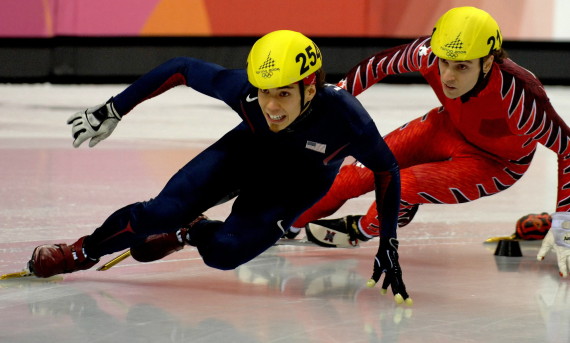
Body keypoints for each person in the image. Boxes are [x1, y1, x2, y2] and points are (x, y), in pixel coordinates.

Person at [26, 30, 412, 303]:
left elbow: (386, 170)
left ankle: (191, 233)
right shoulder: (245, 93)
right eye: (264, 92)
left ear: (309, 89)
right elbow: (181, 67)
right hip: (247, 154)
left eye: (283, 94)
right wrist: (114, 109)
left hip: (293, 187)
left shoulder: (346, 119)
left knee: (224, 254)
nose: (271, 106)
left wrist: (388, 241)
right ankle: (81, 252)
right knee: (158, 213)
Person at [288, 7, 570, 276]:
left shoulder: (520, 96)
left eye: (461, 67)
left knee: (403, 186)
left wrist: (564, 227)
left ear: (487, 61)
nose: (447, 76)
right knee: (349, 179)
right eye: (444, 62)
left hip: (496, 163)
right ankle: (283, 224)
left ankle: (360, 229)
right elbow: (374, 67)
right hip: (448, 127)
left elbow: (567, 150)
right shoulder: (427, 52)